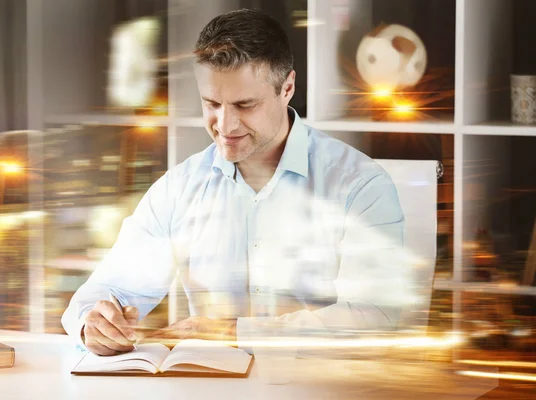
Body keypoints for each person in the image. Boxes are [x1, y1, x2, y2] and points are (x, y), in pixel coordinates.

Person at [62, 8, 409, 356]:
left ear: (287, 88)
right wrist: (94, 323)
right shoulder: (178, 188)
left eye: (245, 105)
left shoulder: (359, 185)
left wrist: (234, 333)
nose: (225, 126)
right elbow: (107, 290)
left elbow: (375, 316)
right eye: (211, 103)